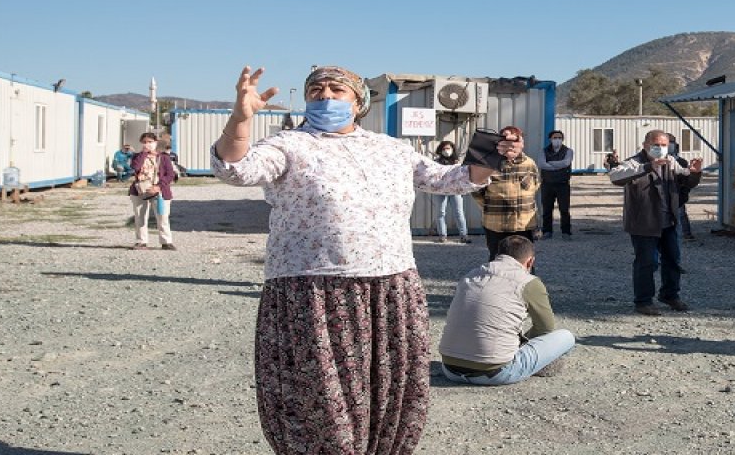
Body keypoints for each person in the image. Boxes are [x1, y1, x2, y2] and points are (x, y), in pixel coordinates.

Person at [211, 65, 516, 455]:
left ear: (358, 103)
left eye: (337, 90)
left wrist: (493, 153)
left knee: (387, 387)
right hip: (313, 290)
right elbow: (237, 168)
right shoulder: (288, 145)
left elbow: (451, 179)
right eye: (316, 90)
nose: (325, 96)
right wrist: (241, 118)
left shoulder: (390, 149)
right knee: (320, 395)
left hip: (391, 286)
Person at [439, 235, 575, 385]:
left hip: (450, 369)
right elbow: (545, 327)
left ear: (497, 255)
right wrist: (523, 342)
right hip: (495, 372)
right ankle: (538, 365)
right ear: (530, 261)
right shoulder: (529, 283)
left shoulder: (470, 276)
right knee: (566, 337)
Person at [608, 130, 704, 316]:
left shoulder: (671, 161)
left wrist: (695, 172)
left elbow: (686, 179)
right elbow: (615, 177)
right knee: (647, 262)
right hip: (644, 223)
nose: (660, 149)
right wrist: (647, 167)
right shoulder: (634, 162)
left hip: (669, 221)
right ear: (645, 145)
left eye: (664, 145)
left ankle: (670, 295)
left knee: (673, 260)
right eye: (656, 144)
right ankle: (643, 301)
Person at [473, 126, 540, 261]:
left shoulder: (529, 163)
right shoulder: (489, 163)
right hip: (496, 224)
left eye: (513, 140)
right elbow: (477, 191)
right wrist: (492, 207)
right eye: (504, 139)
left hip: (524, 224)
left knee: (525, 262)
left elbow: (536, 185)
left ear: (521, 142)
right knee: (497, 261)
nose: (509, 145)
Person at [129, 132, 176, 250]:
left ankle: (166, 241)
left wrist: (159, 186)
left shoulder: (163, 157)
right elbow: (135, 167)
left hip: (159, 191)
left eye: (150, 142)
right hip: (140, 190)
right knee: (140, 216)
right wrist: (144, 154)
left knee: (162, 216)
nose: (147, 144)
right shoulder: (137, 156)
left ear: (155, 143)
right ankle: (141, 241)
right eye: (144, 142)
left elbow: (170, 174)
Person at [536, 130, 574, 241]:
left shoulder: (568, 151)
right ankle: (547, 231)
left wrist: (550, 163)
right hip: (547, 184)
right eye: (555, 137)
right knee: (547, 209)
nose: (557, 139)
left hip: (563, 185)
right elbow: (542, 164)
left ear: (562, 139)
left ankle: (566, 232)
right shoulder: (543, 151)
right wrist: (558, 166)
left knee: (564, 210)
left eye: (559, 137)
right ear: (550, 139)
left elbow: (566, 163)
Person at [432, 140, 471, 243]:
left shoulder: (457, 162)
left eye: (448, 148)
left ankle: (464, 235)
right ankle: (442, 235)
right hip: (440, 190)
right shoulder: (436, 162)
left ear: (453, 150)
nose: (446, 151)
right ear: (440, 150)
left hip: (455, 190)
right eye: (444, 149)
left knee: (459, 212)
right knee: (440, 212)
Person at [667, 133, 697, 240]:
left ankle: (686, 233)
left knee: (681, 213)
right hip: (664, 193)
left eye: (671, 142)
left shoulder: (681, 162)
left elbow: (687, 181)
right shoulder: (657, 161)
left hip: (677, 193)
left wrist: (684, 194)